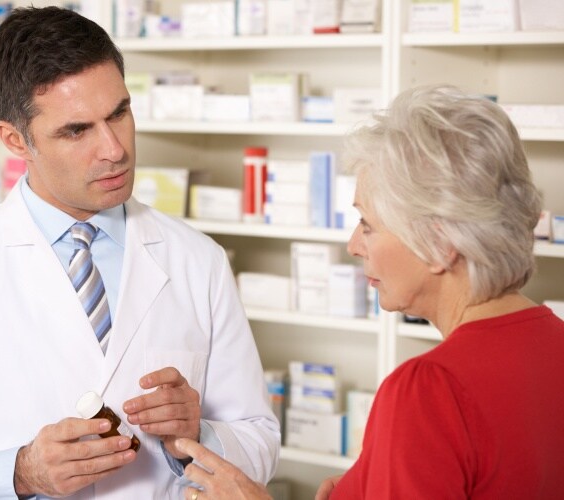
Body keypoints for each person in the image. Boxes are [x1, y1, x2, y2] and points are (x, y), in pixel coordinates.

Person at [171, 85, 564, 499]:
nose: (354, 245)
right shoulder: (554, 342)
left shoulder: (430, 391)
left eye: (368, 225)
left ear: (441, 245)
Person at [0, 6, 280, 499]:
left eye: (119, 113)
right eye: (76, 131)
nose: (114, 149)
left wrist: (196, 435)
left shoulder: (199, 260)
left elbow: (259, 439)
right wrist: (18, 472)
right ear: (15, 140)